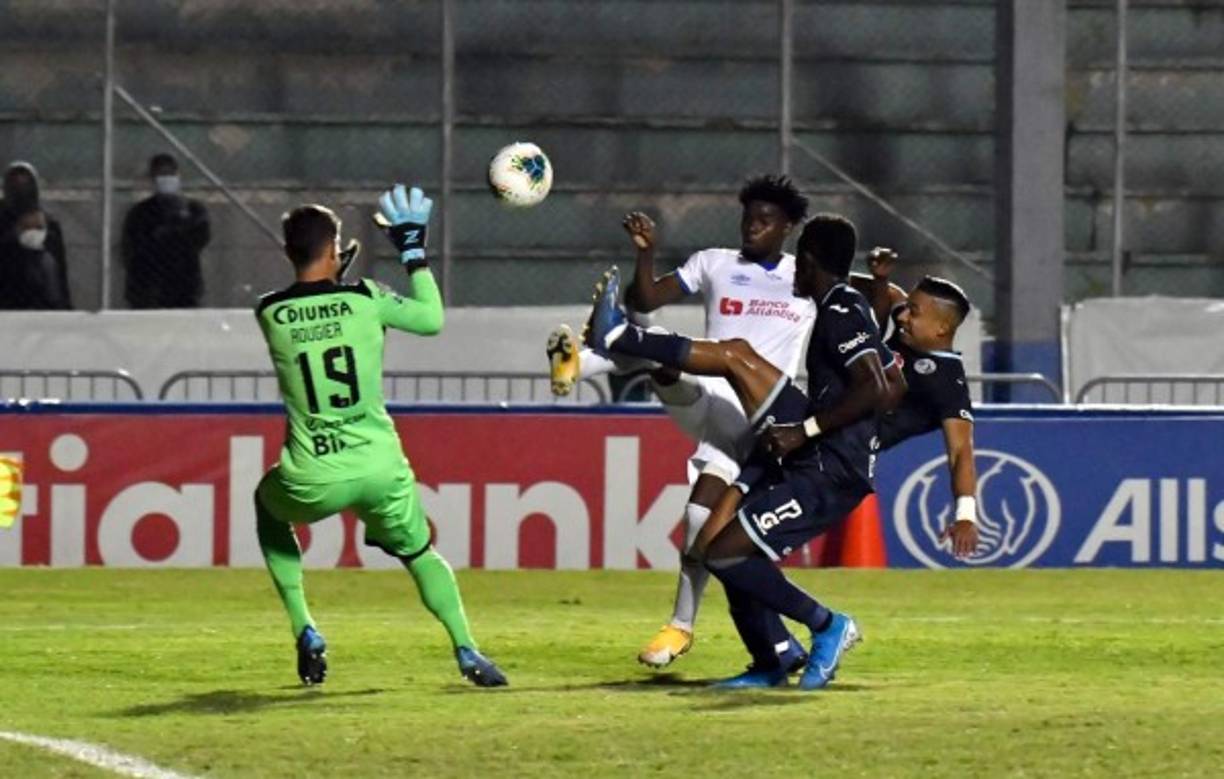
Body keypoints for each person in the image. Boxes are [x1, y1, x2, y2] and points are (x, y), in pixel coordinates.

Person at [585, 214, 899, 689]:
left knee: (727, 553)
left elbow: (873, 386)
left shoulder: (839, 307)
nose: (793, 267)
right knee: (712, 540)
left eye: (800, 257)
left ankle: (828, 625)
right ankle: (772, 659)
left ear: (809, 261)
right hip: (808, 445)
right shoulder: (836, 303)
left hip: (829, 465)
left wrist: (806, 428)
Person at [548, 175, 818, 670]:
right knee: (661, 350)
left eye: (765, 220)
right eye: (748, 218)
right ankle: (579, 365)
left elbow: (854, 310)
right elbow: (647, 298)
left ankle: (687, 629)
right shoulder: (714, 262)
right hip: (711, 404)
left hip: (759, 419)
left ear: (789, 227)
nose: (752, 227)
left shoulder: (807, 277)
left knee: (700, 523)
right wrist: (646, 253)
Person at [253, 184, 506, 687]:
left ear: (287, 252)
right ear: (334, 249)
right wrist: (412, 252)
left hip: (314, 473)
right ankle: (467, 649)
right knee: (418, 554)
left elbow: (310, 306)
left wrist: (330, 274)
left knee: (266, 504)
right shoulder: (366, 297)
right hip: (379, 466)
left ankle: (305, 627)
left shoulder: (269, 312)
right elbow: (431, 319)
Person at [121, 153, 211, 308]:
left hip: (184, 288)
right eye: (161, 174)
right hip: (149, 290)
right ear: (153, 179)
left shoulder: (193, 209)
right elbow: (134, 248)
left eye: (171, 173)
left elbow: (199, 238)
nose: (167, 179)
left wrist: (177, 219)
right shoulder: (140, 212)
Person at [0, 161, 71, 310]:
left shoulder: (48, 222)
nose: (21, 191)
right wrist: (15, 234)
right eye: (15, 185)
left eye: (26, 185)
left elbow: (59, 266)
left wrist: (42, 235)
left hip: (41, 300)